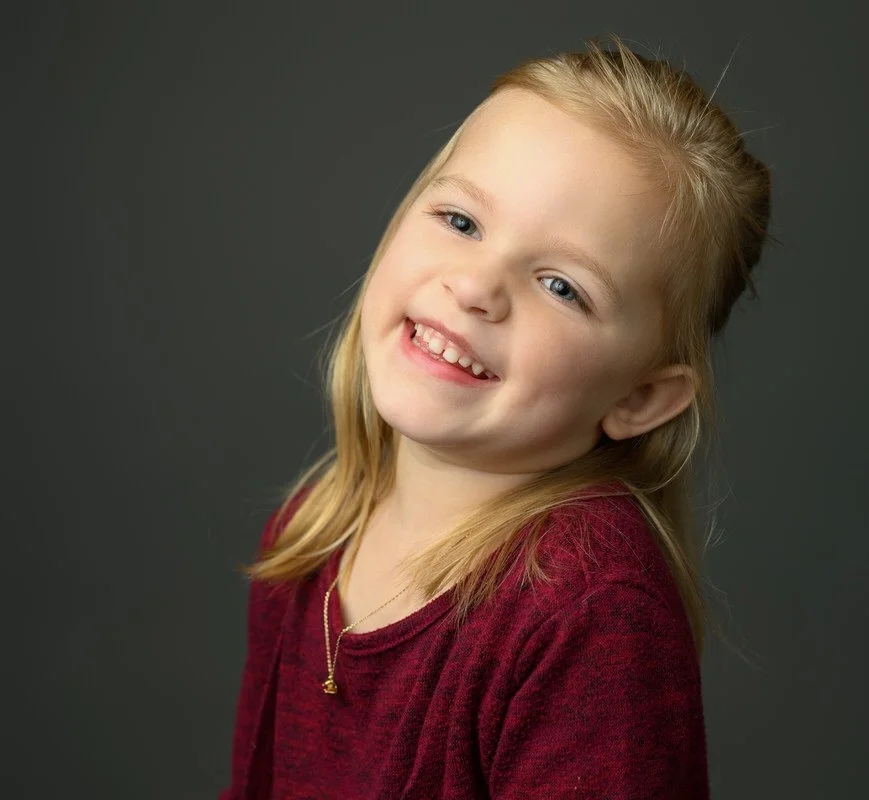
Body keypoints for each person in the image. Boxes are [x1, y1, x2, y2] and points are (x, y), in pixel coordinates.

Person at [220, 34, 772, 799]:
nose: (478, 285)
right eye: (461, 221)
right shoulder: (311, 536)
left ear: (637, 399)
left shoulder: (588, 612)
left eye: (561, 286)